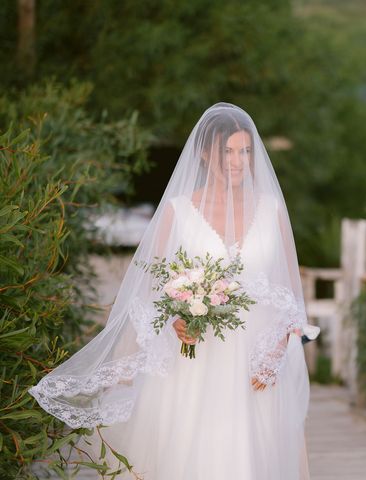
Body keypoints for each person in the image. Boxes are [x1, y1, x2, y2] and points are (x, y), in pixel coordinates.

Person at [30, 103, 311, 479]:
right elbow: (150, 289)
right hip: (193, 359)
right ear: (206, 153)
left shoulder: (272, 209)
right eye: (228, 151)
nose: (238, 161)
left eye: (245, 151)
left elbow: (290, 297)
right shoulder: (177, 211)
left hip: (256, 363)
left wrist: (276, 350)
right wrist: (177, 317)